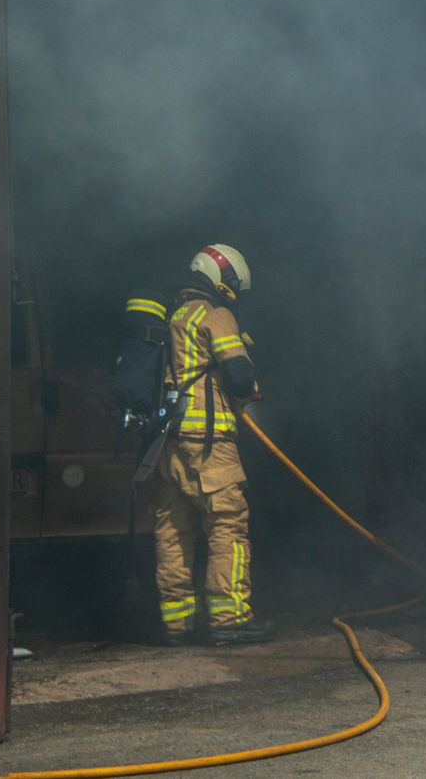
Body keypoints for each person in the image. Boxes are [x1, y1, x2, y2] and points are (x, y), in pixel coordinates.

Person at [152, 243, 275, 646]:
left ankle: (177, 624)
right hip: (210, 445)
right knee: (227, 528)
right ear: (220, 276)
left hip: (168, 444)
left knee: (173, 531)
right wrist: (247, 386)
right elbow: (239, 376)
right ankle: (230, 620)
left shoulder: (174, 313)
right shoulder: (216, 314)